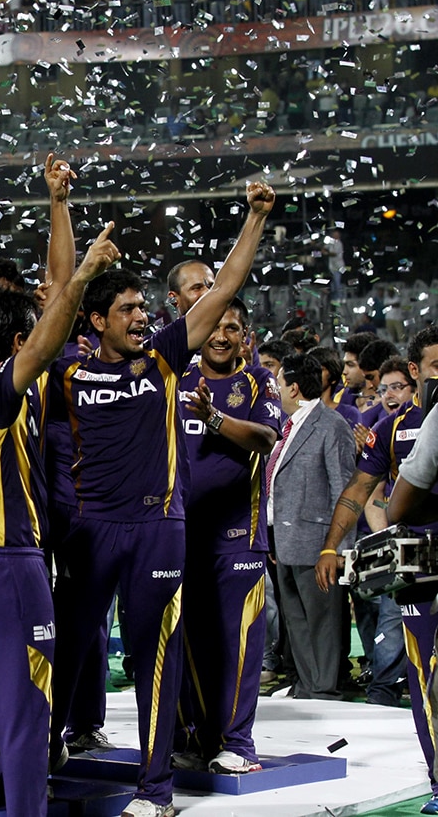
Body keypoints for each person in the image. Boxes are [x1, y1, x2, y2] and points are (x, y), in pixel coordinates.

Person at [47, 181, 274, 817]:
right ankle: (45, 750)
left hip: (158, 531)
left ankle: (155, 790)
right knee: (67, 649)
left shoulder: (167, 358)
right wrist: (61, 211)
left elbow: (224, 289)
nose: (142, 316)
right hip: (89, 532)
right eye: (127, 308)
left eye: (144, 306)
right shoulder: (67, 366)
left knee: (156, 660)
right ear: (95, 321)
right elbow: (61, 290)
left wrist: (253, 219)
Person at [0, 224, 121, 817]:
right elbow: (42, 343)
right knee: (31, 709)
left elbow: (49, 306)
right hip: (7, 561)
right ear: (15, 341)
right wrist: (84, 279)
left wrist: (61, 221)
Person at [318, 328, 438, 809]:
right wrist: (331, 547)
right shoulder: (392, 428)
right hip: (420, 560)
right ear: (415, 371)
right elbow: (359, 487)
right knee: (425, 674)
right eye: (435, 365)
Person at [176, 298, 281, 774]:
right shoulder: (174, 377)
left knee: (237, 644)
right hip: (179, 534)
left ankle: (239, 743)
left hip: (239, 536)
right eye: (214, 326)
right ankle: (203, 739)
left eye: (232, 328)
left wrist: (215, 419)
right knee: (193, 642)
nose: (221, 336)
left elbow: (265, 438)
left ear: (246, 336)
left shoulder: (259, 381)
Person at [267, 353, 357, 700]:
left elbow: (345, 491)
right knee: (298, 624)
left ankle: (324, 691)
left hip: (319, 545)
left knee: (322, 624)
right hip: (286, 543)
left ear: (293, 386)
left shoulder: (331, 425)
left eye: (278, 383)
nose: (275, 390)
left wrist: (338, 550)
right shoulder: (286, 427)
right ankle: (308, 687)